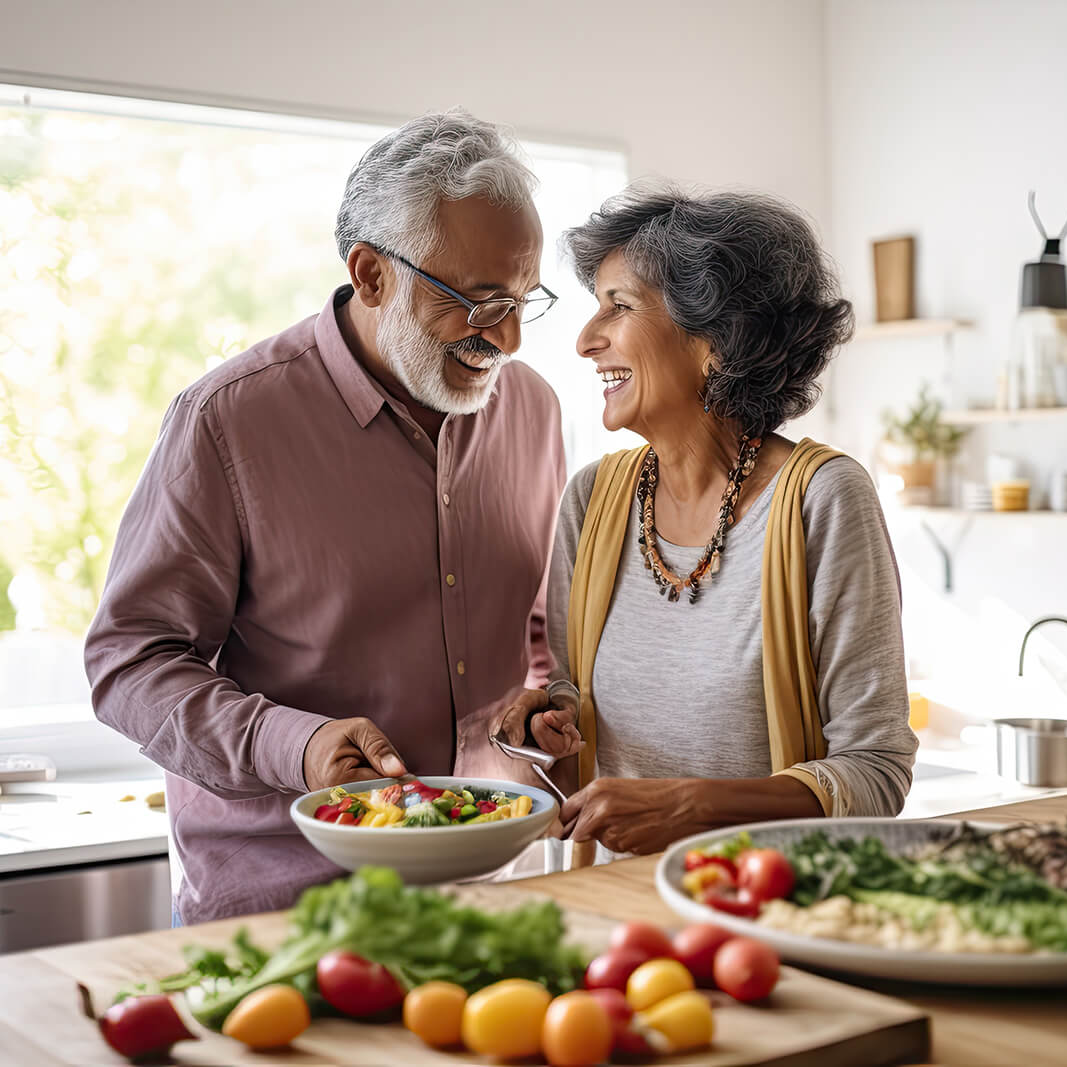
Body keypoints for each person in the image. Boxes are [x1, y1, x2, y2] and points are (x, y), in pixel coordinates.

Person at [85, 109, 567, 923]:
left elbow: (541, 635)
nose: (510, 338)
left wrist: (554, 704)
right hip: (286, 912)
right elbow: (128, 663)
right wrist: (295, 747)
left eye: (525, 299)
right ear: (372, 274)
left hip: (491, 897)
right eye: (480, 302)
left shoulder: (537, 411)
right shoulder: (228, 421)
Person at [492, 183, 916, 861]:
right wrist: (549, 721)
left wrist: (693, 808)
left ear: (713, 338)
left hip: (766, 916)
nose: (584, 340)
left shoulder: (822, 499)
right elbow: (578, 726)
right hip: (619, 922)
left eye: (618, 306)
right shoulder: (592, 500)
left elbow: (876, 771)